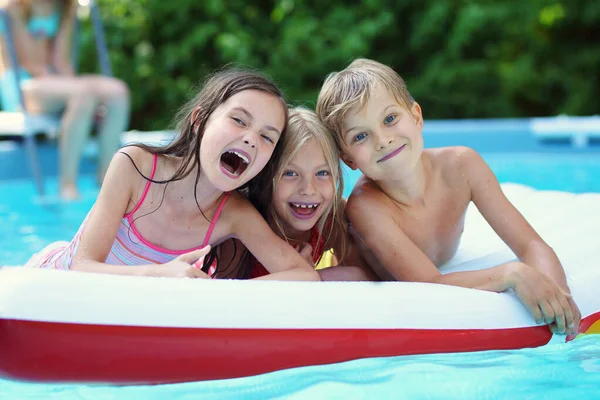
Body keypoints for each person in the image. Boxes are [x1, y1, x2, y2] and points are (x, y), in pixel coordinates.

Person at [316, 58, 581, 334]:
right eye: (360, 136)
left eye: (390, 119)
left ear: (416, 116)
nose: (383, 140)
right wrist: (512, 274)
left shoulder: (462, 166)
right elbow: (429, 283)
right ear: (347, 159)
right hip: (362, 274)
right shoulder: (366, 207)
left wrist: (556, 296)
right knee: (344, 276)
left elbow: (530, 245)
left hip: (436, 268)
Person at [25, 68, 320, 282]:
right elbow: (81, 268)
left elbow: (304, 276)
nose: (251, 139)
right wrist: (162, 274)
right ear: (199, 121)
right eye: (239, 120)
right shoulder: (135, 168)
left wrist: (221, 295)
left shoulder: (233, 214)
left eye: (267, 137)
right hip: (49, 284)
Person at [217, 106, 377, 281]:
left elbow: (366, 280)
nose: (309, 190)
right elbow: (228, 295)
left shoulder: (332, 218)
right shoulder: (242, 220)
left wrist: (314, 277)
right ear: (265, 175)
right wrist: (297, 277)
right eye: (290, 173)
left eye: (322, 173)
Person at [0, 0, 130, 199]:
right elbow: (29, 63)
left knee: (117, 91)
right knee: (83, 93)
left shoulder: (65, 6)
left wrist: (78, 88)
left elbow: (61, 62)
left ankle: (106, 178)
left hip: (53, 81)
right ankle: (67, 186)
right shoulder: (11, 8)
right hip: (22, 83)